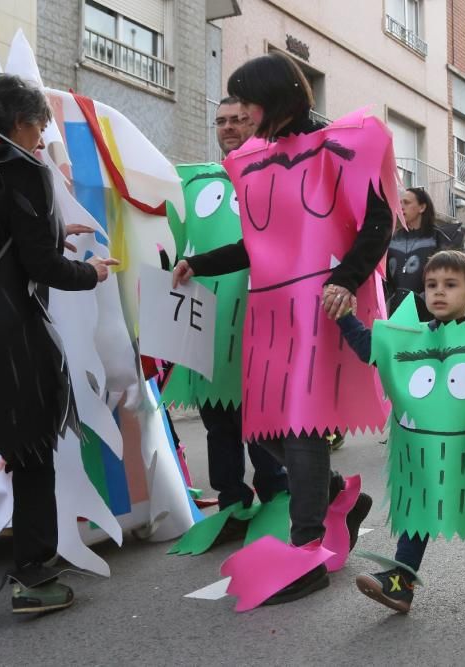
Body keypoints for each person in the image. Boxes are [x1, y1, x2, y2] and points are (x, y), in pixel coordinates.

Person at [171, 52, 393, 603]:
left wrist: (347, 278)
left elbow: (378, 221)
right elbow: (257, 242)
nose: (241, 113)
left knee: (300, 423)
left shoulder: (341, 142)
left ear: (275, 97)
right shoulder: (257, 159)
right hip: (271, 309)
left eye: (246, 100)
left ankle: (307, 545)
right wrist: (199, 264)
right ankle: (337, 492)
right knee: (261, 428)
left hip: (323, 303)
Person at [0, 73, 118, 635]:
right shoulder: (26, 170)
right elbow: (43, 268)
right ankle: (34, 580)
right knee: (31, 453)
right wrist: (89, 271)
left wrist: (47, 233)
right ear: (19, 123)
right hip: (12, 342)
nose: (43, 133)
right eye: (40, 123)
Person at [337, 251, 465, 613]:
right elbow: (374, 350)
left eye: (450, 285)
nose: (438, 292)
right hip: (426, 452)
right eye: (431, 285)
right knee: (421, 507)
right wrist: (345, 320)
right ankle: (401, 583)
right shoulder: (412, 339)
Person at [161, 105, 290, 545]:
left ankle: (277, 495)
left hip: (261, 316)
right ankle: (232, 499)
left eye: (238, 119)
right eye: (221, 121)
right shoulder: (198, 185)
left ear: (257, 123)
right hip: (209, 317)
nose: (229, 127)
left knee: (262, 413)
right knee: (218, 416)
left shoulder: (276, 175)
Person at [385, 187, 463, 316]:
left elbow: (451, 278)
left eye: (407, 203)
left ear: (422, 207)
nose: (401, 207)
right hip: (395, 314)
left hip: (429, 315)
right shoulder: (392, 240)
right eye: (399, 203)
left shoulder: (440, 238)